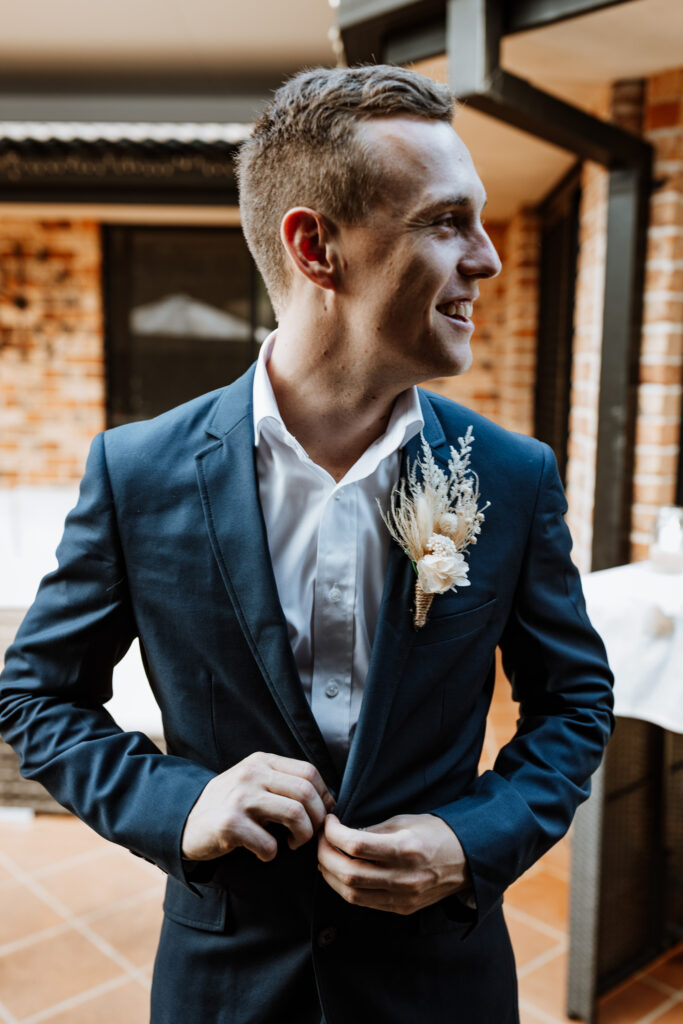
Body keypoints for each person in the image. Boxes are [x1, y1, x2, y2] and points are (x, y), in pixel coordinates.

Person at [0, 65, 614, 1024]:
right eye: (447, 222)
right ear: (315, 246)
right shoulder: (139, 471)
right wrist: (181, 805)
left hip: (437, 984)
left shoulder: (512, 475)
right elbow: (36, 696)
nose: (487, 259)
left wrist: (469, 840)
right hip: (228, 984)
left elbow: (573, 703)